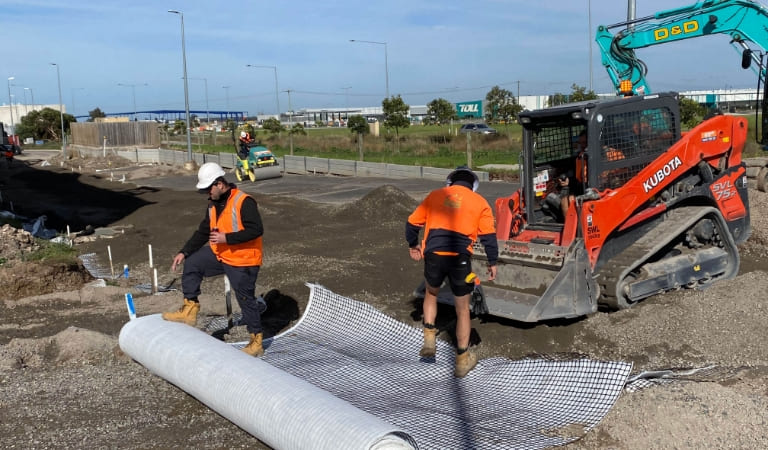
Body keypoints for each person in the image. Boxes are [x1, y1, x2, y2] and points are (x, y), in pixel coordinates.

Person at [162, 162, 267, 357]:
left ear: (220, 184)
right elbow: (203, 230)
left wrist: (227, 238)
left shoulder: (244, 201)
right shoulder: (213, 204)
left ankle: (256, 341)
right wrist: (184, 252)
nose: (206, 194)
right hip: (221, 254)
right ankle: (190, 309)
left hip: (243, 260)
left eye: (208, 189)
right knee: (193, 263)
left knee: (245, 298)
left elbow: (256, 229)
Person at [405, 166, 498, 378]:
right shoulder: (480, 202)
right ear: (472, 185)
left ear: (450, 182)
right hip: (460, 259)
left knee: (431, 293)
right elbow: (489, 237)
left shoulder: (435, 196)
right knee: (463, 309)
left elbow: (411, 224)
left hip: (434, 254)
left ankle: (429, 338)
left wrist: (413, 245)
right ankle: (462, 361)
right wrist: (492, 262)